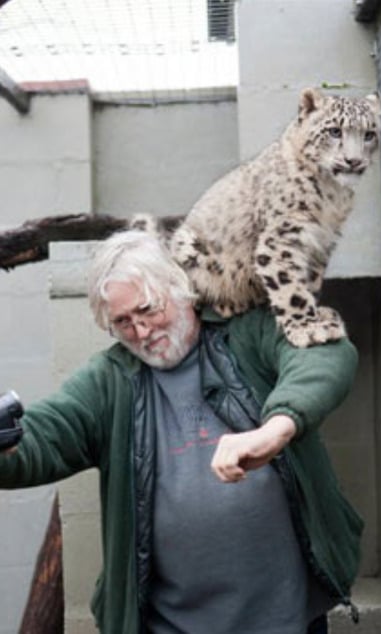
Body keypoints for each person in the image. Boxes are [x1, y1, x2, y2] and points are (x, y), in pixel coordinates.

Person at [0, 231, 362, 634]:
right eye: (122, 322)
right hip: (173, 626)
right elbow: (45, 435)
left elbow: (323, 349)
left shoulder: (245, 330)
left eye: (148, 310)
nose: (140, 332)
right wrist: (7, 446)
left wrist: (277, 427)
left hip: (289, 617)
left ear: (181, 290)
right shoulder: (110, 381)